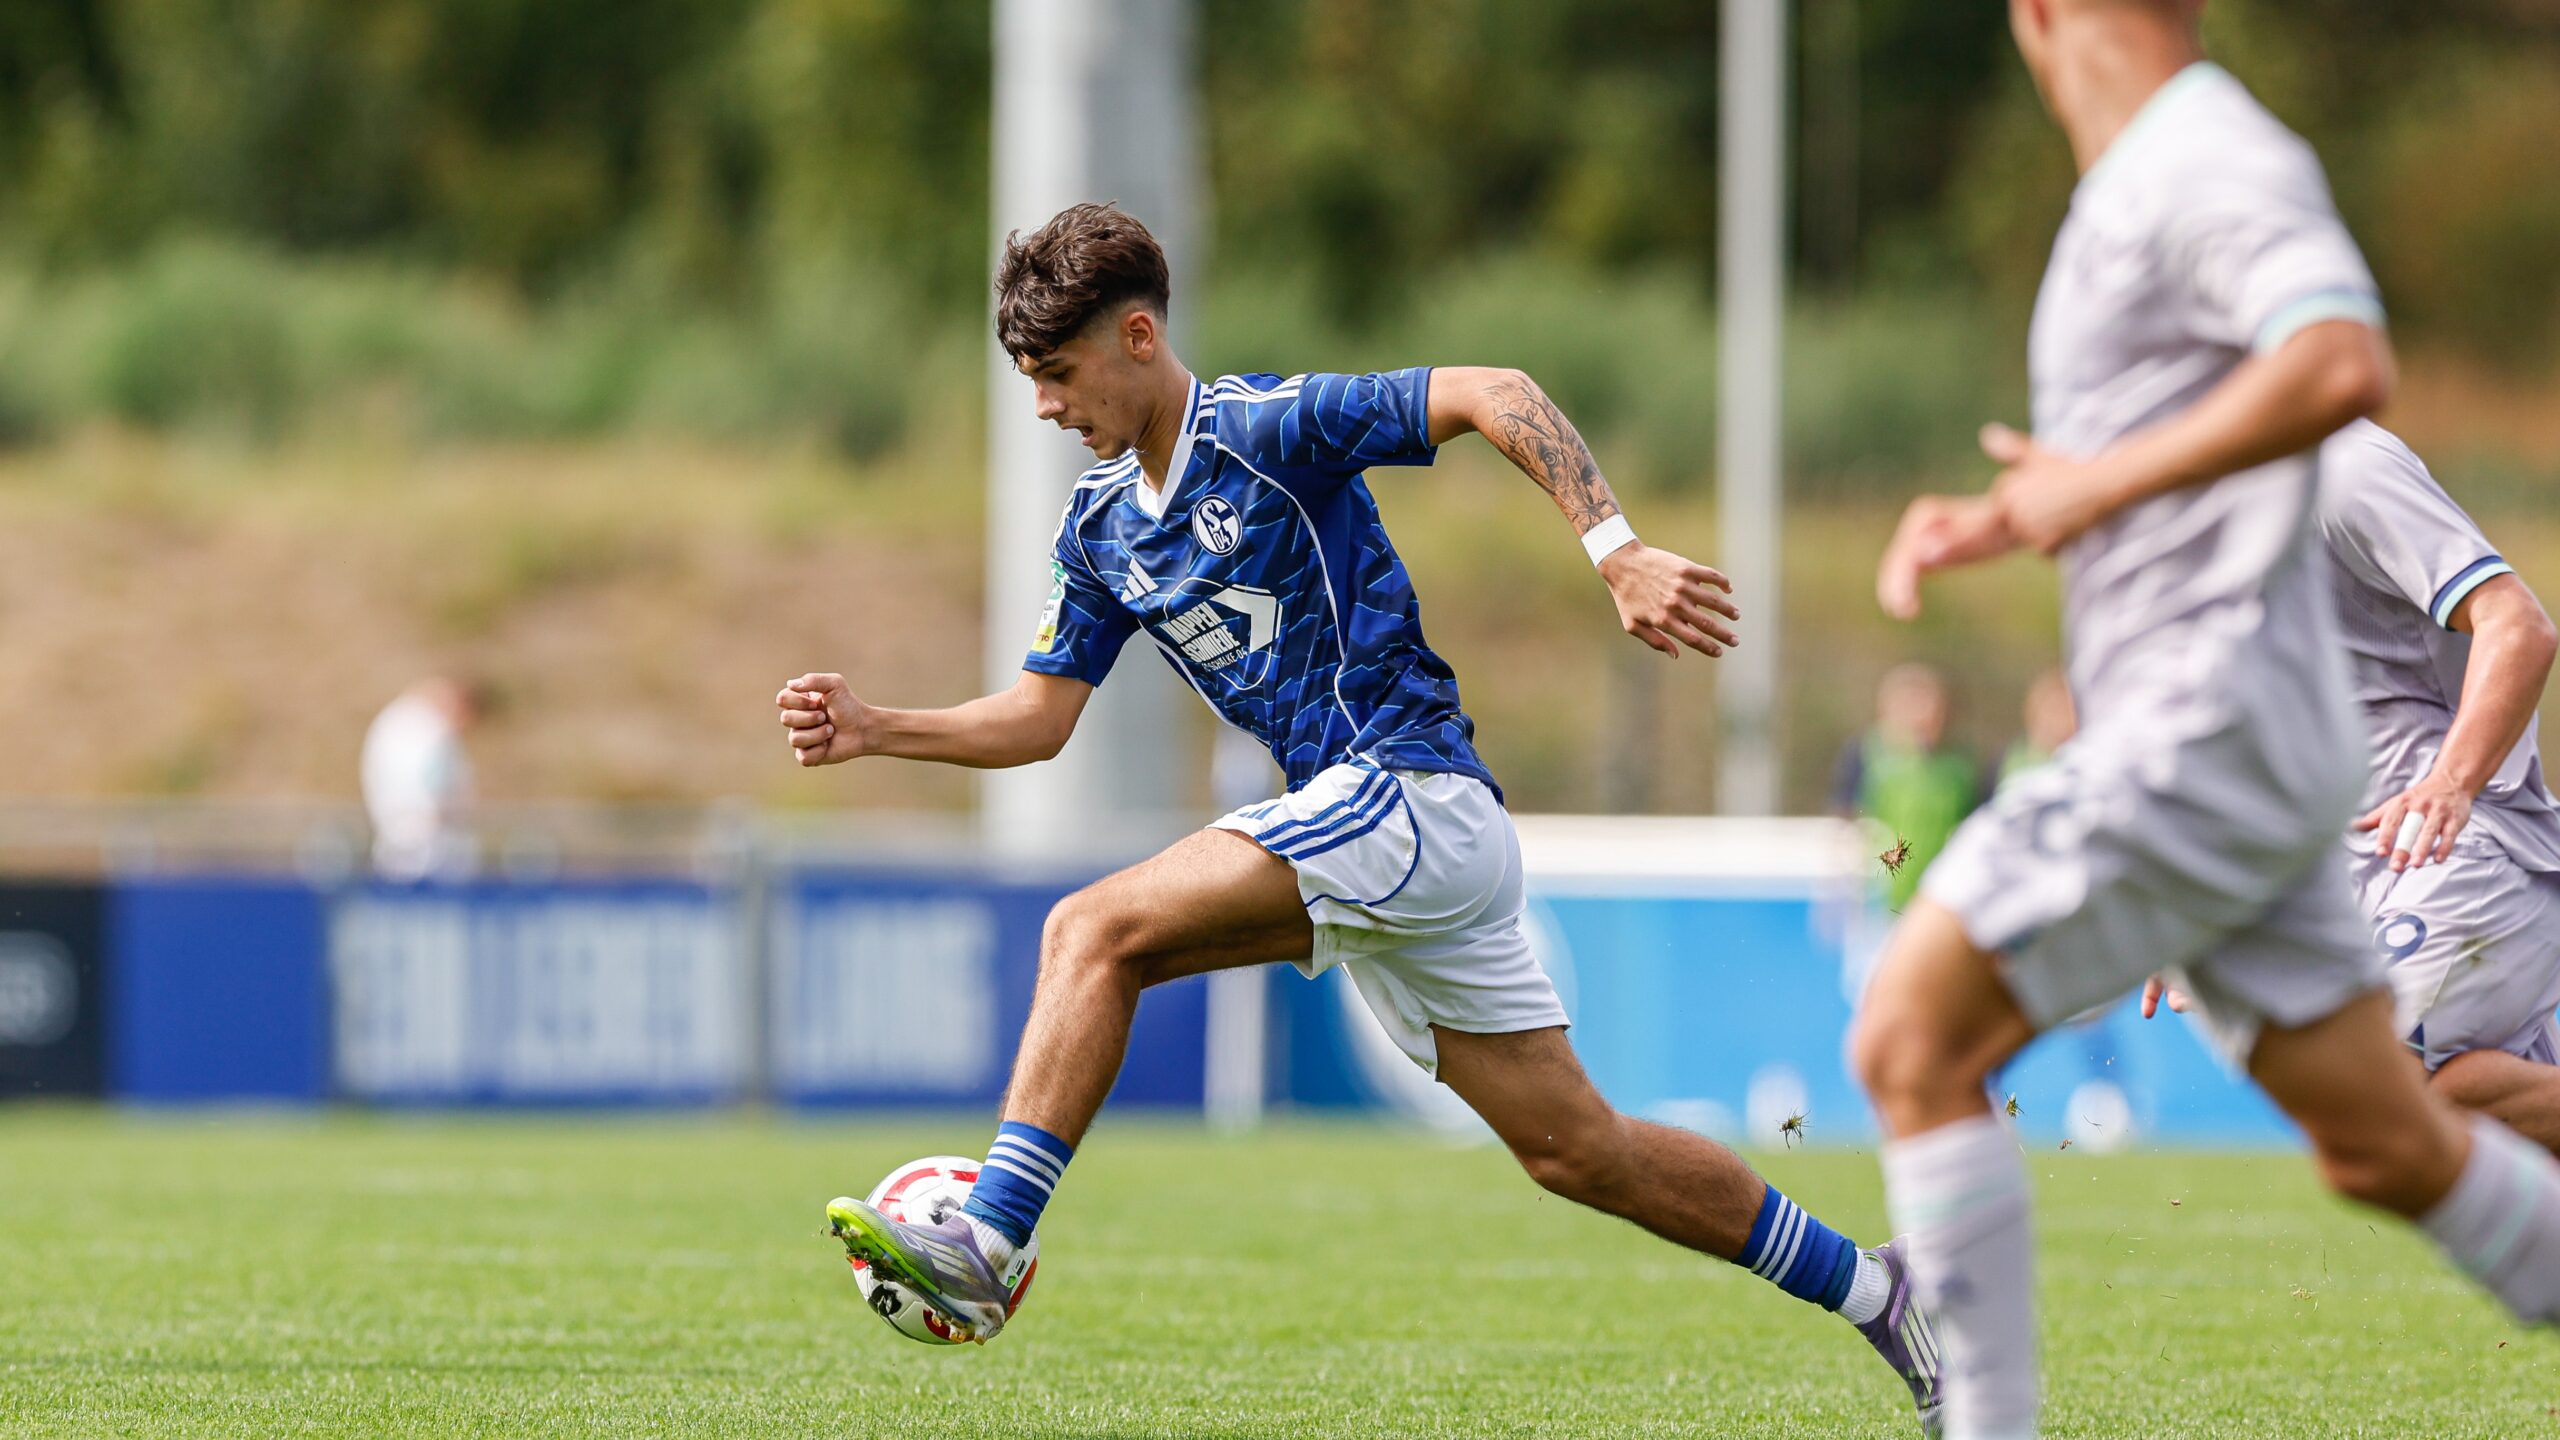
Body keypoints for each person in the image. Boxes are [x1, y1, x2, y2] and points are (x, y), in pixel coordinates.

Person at [779, 202, 1942, 1426]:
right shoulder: (1099, 526)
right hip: (1372, 835)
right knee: (1578, 1153)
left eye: (1058, 376)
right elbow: (1039, 715)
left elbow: (1495, 388)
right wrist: (878, 727)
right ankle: (1879, 1291)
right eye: (1028, 381)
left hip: (1407, 792)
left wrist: (1615, 548)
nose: (1045, 409)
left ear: (1136, 337)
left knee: (1090, 932)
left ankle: (992, 1235)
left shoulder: (1270, 428)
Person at [1850, 5, 2560, 1437]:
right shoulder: (2126, 192)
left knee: (1910, 1038)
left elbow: (2342, 364)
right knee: (2379, 1146)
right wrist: (2019, 513)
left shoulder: (2203, 158)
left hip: (2211, 737)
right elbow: (2204, 489)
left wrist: (2084, 494)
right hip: (2263, 764)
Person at [2146, 421, 2560, 1154]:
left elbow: (2519, 626)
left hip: (2472, 847)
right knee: (2439, 1114)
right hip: (2373, 869)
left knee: (2371, 1083)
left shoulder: (2343, 467)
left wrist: (2451, 783)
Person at [1831, 663, 1981, 910]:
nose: (1922, 717)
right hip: (1876, 898)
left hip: (1937, 898)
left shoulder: (1959, 768)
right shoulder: (1866, 756)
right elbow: (1846, 819)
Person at [361, 676, 482, 882]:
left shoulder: (393, 722)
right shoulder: (430, 730)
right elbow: (441, 786)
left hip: (395, 846)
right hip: (435, 851)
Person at [1996, 666, 2075, 784]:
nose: (2061, 721)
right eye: (2054, 710)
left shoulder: (2079, 754)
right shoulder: (2021, 762)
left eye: (2067, 710)